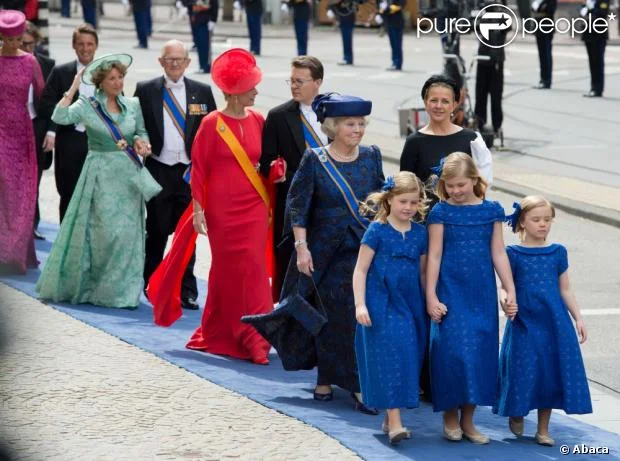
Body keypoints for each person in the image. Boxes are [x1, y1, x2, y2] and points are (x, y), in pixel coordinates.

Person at [251, 93, 385, 413]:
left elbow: (383, 200)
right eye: (351, 124)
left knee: (357, 316)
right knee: (329, 318)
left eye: (361, 123)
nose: (358, 129)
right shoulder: (315, 159)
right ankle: (325, 377)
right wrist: (301, 248)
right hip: (325, 253)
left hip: (363, 250)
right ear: (333, 127)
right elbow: (299, 205)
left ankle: (357, 383)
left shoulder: (371, 156)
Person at [148, 48, 273, 365]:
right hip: (222, 208)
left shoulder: (259, 120)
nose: (257, 91)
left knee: (255, 269)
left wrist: (277, 170)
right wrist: (199, 210)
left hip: (254, 206)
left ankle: (257, 337)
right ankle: (222, 329)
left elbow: (267, 163)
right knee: (227, 271)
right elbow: (199, 169)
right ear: (237, 91)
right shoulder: (211, 124)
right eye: (252, 86)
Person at [36, 53, 160, 308]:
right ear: (100, 82)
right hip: (100, 175)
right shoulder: (87, 104)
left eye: (120, 77)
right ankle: (94, 287)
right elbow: (60, 117)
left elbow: (141, 131)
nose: (118, 82)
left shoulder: (133, 104)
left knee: (126, 235)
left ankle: (121, 292)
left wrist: (142, 142)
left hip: (127, 176)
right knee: (103, 234)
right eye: (112, 78)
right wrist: (72, 88)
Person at [425, 152, 516, 444]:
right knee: (452, 352)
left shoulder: (490, 211)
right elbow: (434, 255)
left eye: (461, 185)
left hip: (481, 292)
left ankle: (469, 420)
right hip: (450, 290)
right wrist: (430, 295)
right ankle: (449, 416)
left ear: (475, 180)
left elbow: (498, 252)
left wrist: (508, 287)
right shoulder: (441, 212)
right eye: (450, 186)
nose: (455, 191)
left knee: (478, 354)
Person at [494, 196, 592, 446]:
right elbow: (506, 287)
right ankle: (517, 411)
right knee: (522, 368)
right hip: (524, 321)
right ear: (523, 222)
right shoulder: (512, 253)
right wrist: (506, 303)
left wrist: (578, 317)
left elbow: (565, 289)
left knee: (549, 371)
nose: (543, 225)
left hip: (554, 321)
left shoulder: (558, 252)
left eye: (547, 220)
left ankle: (543, 429)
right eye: (536, 219)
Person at [135, 40, 217, 311]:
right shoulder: (146, 90)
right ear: (161, 62)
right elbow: (137, 125)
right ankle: (151, 283)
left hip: (189, 173)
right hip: (158, 168)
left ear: (188, 63)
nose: (174, 64)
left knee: (187, 235)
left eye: (179, 59)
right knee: (156, 232)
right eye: (169, 59)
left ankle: (187, 290)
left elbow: (213, 129)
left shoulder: (202, 91)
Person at [353, 171, 428, 444]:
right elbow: (360, 270)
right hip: (380, 303)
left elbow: (422, 273)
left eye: (413, 202)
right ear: (389, 200)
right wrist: (360, 304)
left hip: (410, 305)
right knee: (390, 356)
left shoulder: (420, 234)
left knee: (409, 356)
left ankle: (389, 417)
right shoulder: (378, 231)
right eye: (402, 202)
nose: (408, 208)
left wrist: (428, 300)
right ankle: (396, 423)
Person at [259, 55, 326, 298]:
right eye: (291, 81)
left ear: (317, 82)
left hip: (329, 201)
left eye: (300, 81)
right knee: (290, 261)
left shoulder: (334, 111)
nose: (294, 86)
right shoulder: (278, 116)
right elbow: (264, 162)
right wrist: (274, 170)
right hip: (293, 202)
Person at [39, 23, 98, 222]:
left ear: (96, 46)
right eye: (81, 43)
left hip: (99, 144)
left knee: (97, 197)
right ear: (74, 46)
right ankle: (67, 241)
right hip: (70, 141)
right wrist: (62, 122)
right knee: (69, 194)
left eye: (90, 44)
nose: (85, 48)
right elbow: (46, 104)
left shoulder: (107, 72)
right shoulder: (61, 72)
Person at [0, 9, 45, 274]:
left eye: (18, 39)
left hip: (21, 131)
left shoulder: (30, 62)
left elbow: (43, 95)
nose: (14, 44)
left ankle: (14, 253)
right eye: (8, 39)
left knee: (19, 192)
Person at [21, 20, 55, 241]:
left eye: (30, 44)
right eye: (21, 44)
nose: (25, 49)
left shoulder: (47, 65)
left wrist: (52, 131)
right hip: (9, 129)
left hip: (37, 128)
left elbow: (56, 102)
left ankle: (31, 225)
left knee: (34, 181)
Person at [474, 2, 507, 139]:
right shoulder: (481, 15)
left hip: (496, 61)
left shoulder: (502, 15)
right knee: (480, 95)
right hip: (483, 59)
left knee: (495, 96)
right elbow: (473, 27)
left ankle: (496, 126)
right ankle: (480, 123)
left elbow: (505, 27)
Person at [580, 0, 609, 97]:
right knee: (592, 61)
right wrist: (584, 9)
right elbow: (583, 9)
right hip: (588, 32)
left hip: (598, 33)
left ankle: (598, 88)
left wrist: (592, 8)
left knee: (598, 61)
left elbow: (603, 13)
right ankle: (593, 87)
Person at [184, 0, 218, 73]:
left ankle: (206, 66)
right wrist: (185, 5)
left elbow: (214, 3)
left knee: (205, 44)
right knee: (198, 44)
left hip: (206, 19)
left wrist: (213, 19)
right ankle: (201, 65)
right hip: (195, 17)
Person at [531, 0, 556, 89]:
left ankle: (547, 80)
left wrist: (541, 6)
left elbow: (551, 9)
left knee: (546, 54)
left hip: (546, 26)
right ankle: (542, 78)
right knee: (541, 55)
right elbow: (533, 9)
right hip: (538, 26)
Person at [375, 0, 405, 71]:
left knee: (397, 43)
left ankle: (397, 63)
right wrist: (379, 14)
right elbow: (379, 5)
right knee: (392, 43)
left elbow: (401, 4)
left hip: (396, 21)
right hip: (388, 21)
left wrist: (389, 8)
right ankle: (394, 62)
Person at [327, 0, 358, 66]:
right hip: (339, 11)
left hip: (348, 11)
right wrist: (329, 8)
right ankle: (347, 57)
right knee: (345, 36)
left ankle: (348, 58)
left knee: (347, 36)